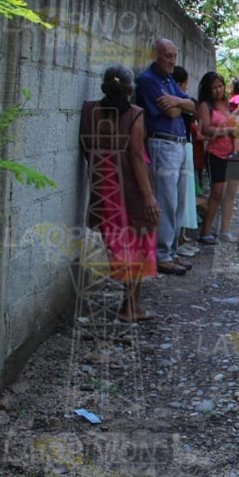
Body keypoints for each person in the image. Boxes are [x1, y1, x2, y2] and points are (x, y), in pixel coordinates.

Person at [79, 66, 160, 322]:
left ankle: (129, 306)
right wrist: (148, 196)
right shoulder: (135, 115)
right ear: (129, 91)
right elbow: (136, 155)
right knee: (139, 243)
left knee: (121, 245)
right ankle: (130, 308)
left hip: (104, 187)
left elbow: (86, 147)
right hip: (131, 187)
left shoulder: (89, 111)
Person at [135, 38, 195, 275]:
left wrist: (178, 101)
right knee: (167, 200)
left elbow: (191, 105)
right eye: (167, 56)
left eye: (174, 56)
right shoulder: (148, 81)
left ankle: (172, 252)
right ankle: (162, 254)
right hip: (163, 143)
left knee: (179, 200)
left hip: (179, 144)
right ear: (156, 55)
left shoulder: (169, 80)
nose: (172, 60)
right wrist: (181, 105)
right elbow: (171, 113)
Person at [196, 71, 239, 245]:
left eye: (220, 86)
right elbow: (204, 130)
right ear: (207, 89)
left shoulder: (228, 104)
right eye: (214, 88)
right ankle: (205, 231)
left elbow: (237, 124)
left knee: (231, 194)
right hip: (217, 153)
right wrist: (228, 131)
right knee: (217, 193)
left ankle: (224, 230)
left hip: (235, 153)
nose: (218, 90)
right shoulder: (205, 106)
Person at [171, 65, 200, 258]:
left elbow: (193, 106)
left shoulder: (181, 102)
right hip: (181, 149)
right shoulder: (177, 103)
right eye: (185, 84)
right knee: (179, 199)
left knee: (184, 199)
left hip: (185, 147)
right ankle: (177, 243)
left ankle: (180, 240)